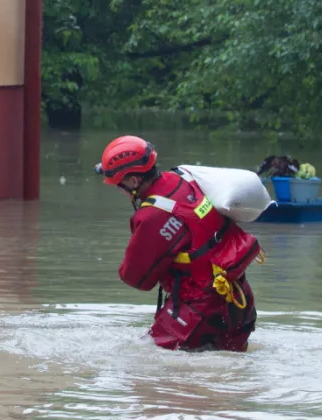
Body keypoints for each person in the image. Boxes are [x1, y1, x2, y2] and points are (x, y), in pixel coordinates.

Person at [95, 135, 264, 351]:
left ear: (134, 181)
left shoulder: (152, 216)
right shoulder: (185, 179)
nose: (118, 189)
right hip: (239, 300)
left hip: (199, 313)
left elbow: (136, 279)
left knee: (142, 365)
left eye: (118, 184)